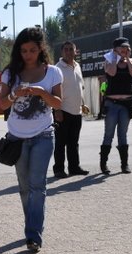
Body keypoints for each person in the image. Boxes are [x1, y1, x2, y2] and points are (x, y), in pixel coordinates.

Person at [0, 28, 62, 254]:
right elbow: (3, 105)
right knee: (25, 188)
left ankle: (33, 234)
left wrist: (39, 92)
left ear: (40, 49)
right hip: (17, 137)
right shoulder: (10, 73)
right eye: (24, 50)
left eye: (32, 50)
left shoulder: (52, 72)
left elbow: (57, 103)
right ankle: (32, 226)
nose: (28, 55)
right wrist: (15, 94)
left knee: (38, 186)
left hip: (43, 135)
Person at [100, 37, 132, 174]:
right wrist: (116, 59)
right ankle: (103, 164)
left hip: (126, 103)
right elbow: (112, 72)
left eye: (126, 48)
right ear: (115, 49)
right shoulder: (109, 61)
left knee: (123, 134)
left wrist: (127, 59)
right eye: (121, 48)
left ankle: (124, 164)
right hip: (112, 103)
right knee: (108, 134)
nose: (124, 50)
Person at [53, 41, 88, 177]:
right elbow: (53, 91)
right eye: (66, 50)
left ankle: (74, 168)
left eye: (71, 49)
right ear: (62, 52)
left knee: (74, 142)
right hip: (63, 111)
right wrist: (57, 110)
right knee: (60, 143)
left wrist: (83, 104)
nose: (68, 52)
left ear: (75, 51)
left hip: (76, 111)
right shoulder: (57, 68)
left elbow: (81, 87)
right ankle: (59, 169)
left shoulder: (78, 66)